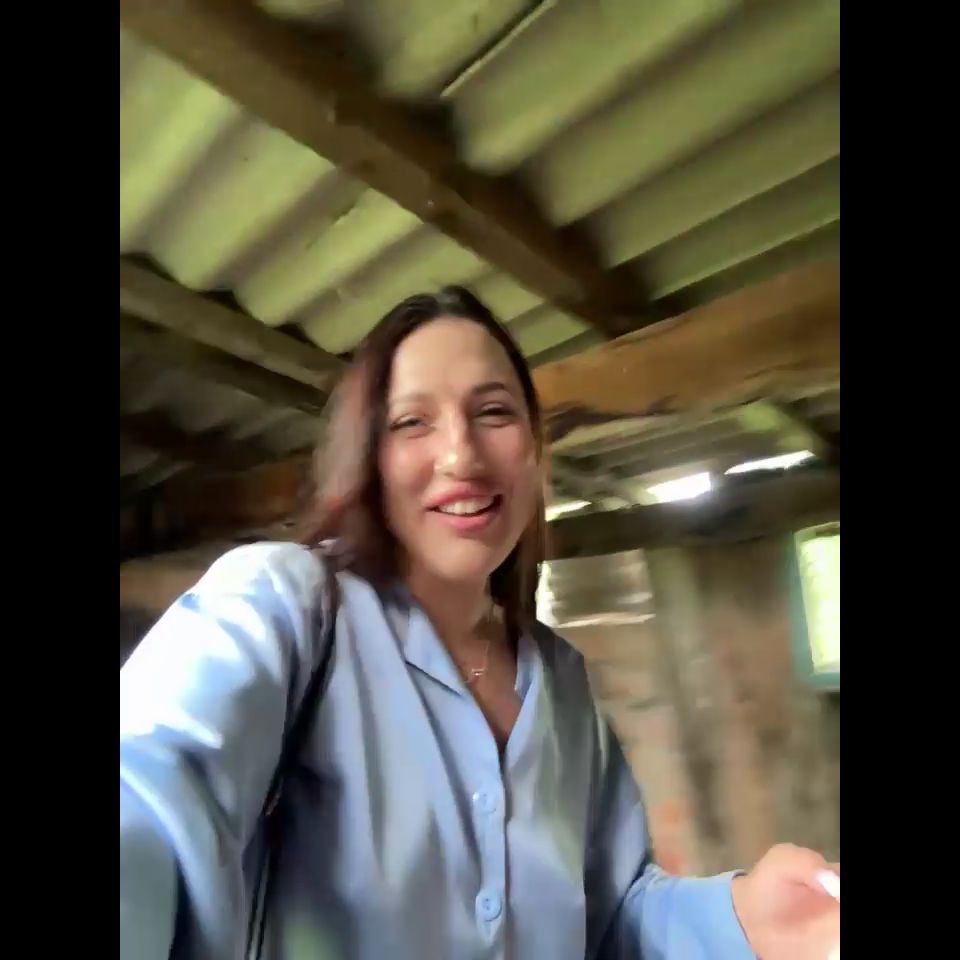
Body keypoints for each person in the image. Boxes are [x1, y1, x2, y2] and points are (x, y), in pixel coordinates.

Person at [120, 287, 840, 960]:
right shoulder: (287, 606)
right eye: (411, 422)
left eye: (493, 413)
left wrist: (742, 917)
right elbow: (146, 793)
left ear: (533, 447)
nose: (461, 455)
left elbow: (610, 915)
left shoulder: (562, 681)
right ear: (368, 457)